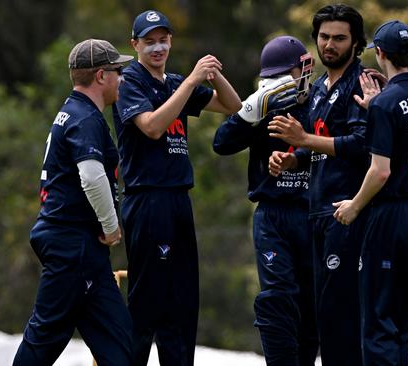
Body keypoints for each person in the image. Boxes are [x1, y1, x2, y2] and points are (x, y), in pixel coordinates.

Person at [112, 9, 241, 366]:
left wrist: (213, 74)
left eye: (163, 40)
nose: (157, 48)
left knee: (182, 300)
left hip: (177, 198)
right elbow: (151, 126)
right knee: (148, 301)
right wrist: (191, 82)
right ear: (134, 45)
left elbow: (233, 106)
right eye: (149, 42)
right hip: (148, 198)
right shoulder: (130, 81)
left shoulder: (173, 82)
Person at [13, 39, 134, 366]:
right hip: (72, 245)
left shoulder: (75, 112)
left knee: (121, 346)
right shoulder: (85, 118)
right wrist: (111, 227)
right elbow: (92, 176)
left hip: (84, 251)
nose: (121, 78)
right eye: (117, 71)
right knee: (43, 341)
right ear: (100, 76)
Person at [332, 19, 408, 365]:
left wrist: (353, 206)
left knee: (381, 320)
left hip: (393, 216)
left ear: (380, 53)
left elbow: (380, 171)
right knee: (406, 318)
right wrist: (376, 108)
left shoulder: (386, 103)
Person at [267, 4, 371, 365]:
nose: (330, 44)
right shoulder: (319, 88)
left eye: (340, 38)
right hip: (318, 211)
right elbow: (316, 146)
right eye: (324, 37)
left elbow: (360, 145)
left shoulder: (362, 83)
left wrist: (304, 140)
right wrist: (291, 157)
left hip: (347, 212)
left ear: (356, 43)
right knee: (323, 315)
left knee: (343, 319)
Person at [213, 35, 318, 366]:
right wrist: (253, 107)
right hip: (272, 215)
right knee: (277, 299)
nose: (285, 84)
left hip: (313, 213)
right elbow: (222, 143)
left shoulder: (321, 101)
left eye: (288, 75)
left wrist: (298, 153)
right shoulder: (264, 105)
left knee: (312, 305)